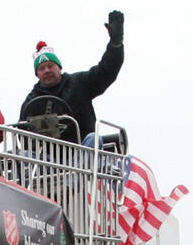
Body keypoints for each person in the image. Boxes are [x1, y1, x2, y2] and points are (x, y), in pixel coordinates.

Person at [19, 11, 124, 146]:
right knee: (26, 154)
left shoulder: (79, 83)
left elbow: (106, 71)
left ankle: (86, 165)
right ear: (37, 74)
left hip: (81, 153)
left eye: (50, 66)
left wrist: (115, 45)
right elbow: (23, 133)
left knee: (94, 138)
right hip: (46, 160)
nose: (47, 71)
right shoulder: (31, 101)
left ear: (59, 67)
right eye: (42, 68)